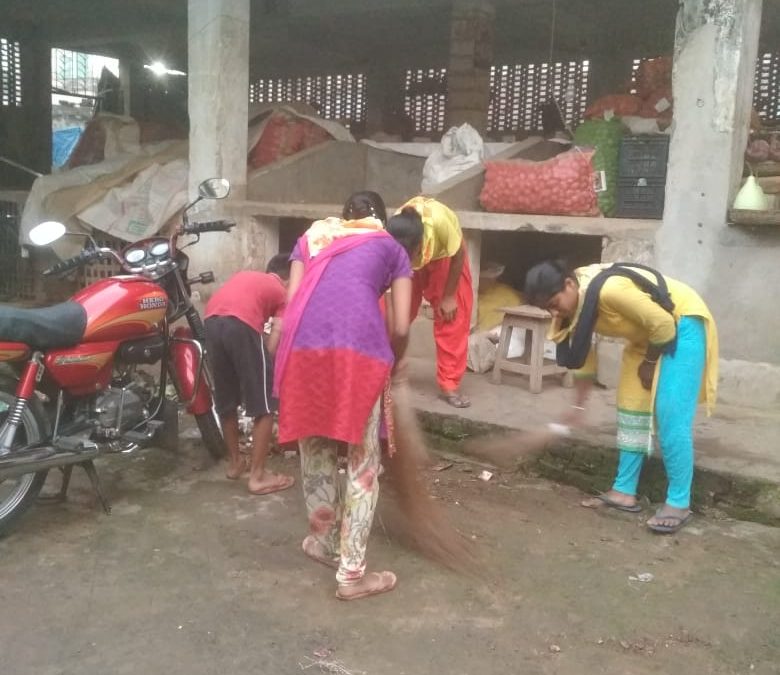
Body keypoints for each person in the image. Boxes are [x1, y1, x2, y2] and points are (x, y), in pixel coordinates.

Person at [274, 203, 417, 600]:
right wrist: (396, 359)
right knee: (362, 461)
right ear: (380, 221)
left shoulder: (312, 238)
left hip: (303, 350)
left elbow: (294, 301)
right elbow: (402, 324)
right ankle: (351, 576)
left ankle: (322, 543)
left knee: (315, 445)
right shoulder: (390, 247)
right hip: (359, 353)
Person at [524, 260, 718, 534]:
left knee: (670, 414)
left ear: (569, 284)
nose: (554, 312)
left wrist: (650, 364)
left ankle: (678, 503)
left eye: (555, 303)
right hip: (646, 336)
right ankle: (624, 491)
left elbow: (663, 324)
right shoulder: (575, 306)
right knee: (631, 408)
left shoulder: (610, 291)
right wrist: (578, 405)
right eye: (548, 308)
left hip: (681, 323)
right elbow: (583, 358)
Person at [204, 255, 295, 495]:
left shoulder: (246, 276)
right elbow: (276, 333)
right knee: (264, 404)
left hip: (211, 322)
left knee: (226, 400)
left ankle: (235, 464)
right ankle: (258, 476)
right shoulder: (282, 292)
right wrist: (267, 365)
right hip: (241, 323)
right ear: (287, 278)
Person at [386, 197, 473, 408]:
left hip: (446, 258)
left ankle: (449, 385)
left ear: (419, 244)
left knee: (452, 315)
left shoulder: (441, 224)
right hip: (407, 263)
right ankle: (384, 370)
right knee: (395, 313)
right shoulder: (391, 233)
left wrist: (449, 296)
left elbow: (458, 254)